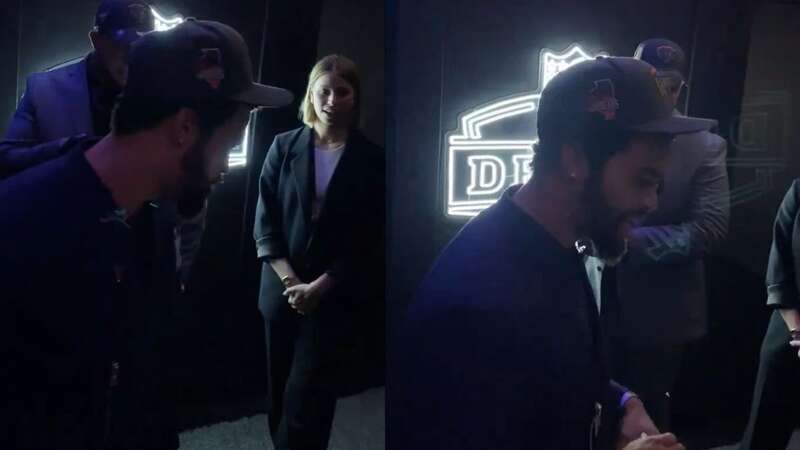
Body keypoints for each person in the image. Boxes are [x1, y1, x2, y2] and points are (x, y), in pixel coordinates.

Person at [392, 57, 718, 450]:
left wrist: (621, 402)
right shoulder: (476, 308)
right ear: (574, 160)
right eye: (643, 181)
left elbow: (561, 371)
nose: (651, 203)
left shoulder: (560, 245)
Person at [0, 19, 292, 449]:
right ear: (184, 128)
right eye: (228, 145)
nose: (225, 169)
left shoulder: (152, 227)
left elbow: (146, 393)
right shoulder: (20, 228)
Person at [4, 0, 204, 286]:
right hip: (57, 268)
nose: (133, 54)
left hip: (139, 274)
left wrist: (177, 276)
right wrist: (76, 151)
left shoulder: (165, 95)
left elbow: (188, 195)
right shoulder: (45, 89)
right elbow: (7, 159)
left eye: (143, 45)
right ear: (97, 40)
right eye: (124, 43)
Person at [253, 54, 384, 450]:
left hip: (332, 298)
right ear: (311, 94)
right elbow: (265, 223)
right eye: (323, 91)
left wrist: (320, 286)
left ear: (355, 98)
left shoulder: (371, 160)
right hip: (281, 294)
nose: (331, 100)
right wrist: (292, 282)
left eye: (341, 92)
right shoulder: (282, 146)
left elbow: (367, 238)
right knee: (279, 398)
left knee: (309, 399)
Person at [601, 38, 730, 430]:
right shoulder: (607, 134)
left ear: (681, 89)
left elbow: (709, 230)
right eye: (653, 84)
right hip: (596, 303)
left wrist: (621, 242)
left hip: (661, 310)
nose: (663, 95)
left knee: (649, 411)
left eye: (671, 86)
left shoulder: (705, 146)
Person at [739, 180, 800, 449]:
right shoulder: (799, 190)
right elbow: (779, 266)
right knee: (762, 435)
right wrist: (797, 331)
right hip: (789, 325)